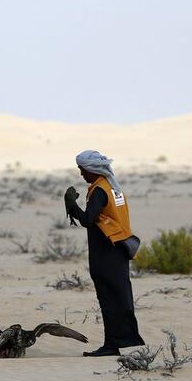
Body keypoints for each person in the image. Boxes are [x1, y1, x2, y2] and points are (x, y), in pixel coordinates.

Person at [65, 150, 145, 357]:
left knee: (109, 299)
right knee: (120, 297)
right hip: (118, 250)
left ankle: (112, 345)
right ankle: (124, 340)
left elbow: (88, 221)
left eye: (82, 171)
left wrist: (72, 206)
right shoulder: (113, 187)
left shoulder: (99, 190)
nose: (82, 175)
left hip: (106, 253)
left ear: (91, 170)